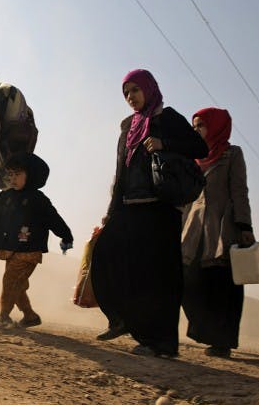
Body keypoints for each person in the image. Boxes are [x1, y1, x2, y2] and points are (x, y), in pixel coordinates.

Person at [89, 69, 208, 357]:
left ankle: (161, 343)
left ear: (149, 88)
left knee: (159, 276)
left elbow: (199, 147)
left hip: (161, 207)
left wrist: (164, 143)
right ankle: (121, 319)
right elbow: (121, 172)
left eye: (135, 90)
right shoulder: (129, 127)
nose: (130, 96)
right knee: (105, 253)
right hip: (129, 205)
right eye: (126, 92)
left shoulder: (167, 118)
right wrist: (111, 210)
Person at [180, 108, 254, 359]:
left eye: (201, 125)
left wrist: (244, 225)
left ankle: (221, 341)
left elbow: (239, 190)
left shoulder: (232, 154)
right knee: (188, 280)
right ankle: (204, 331)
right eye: (194, 126)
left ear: (216, 126)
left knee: (221, 285)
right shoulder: (192, 158)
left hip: (223, 226)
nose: (196, 130)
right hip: (192, 227)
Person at [0, 153, 74, 328]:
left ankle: (4, 316)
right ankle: (30, 316)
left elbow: (54, 219)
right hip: (11, 248)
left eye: (17, 174)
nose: (12, 179)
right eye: (10, 174)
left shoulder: (38, 199)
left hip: (29, 250)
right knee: (17, 285)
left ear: (32, 175)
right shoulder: (7, 196)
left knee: (10, 281)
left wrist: (66, 236)